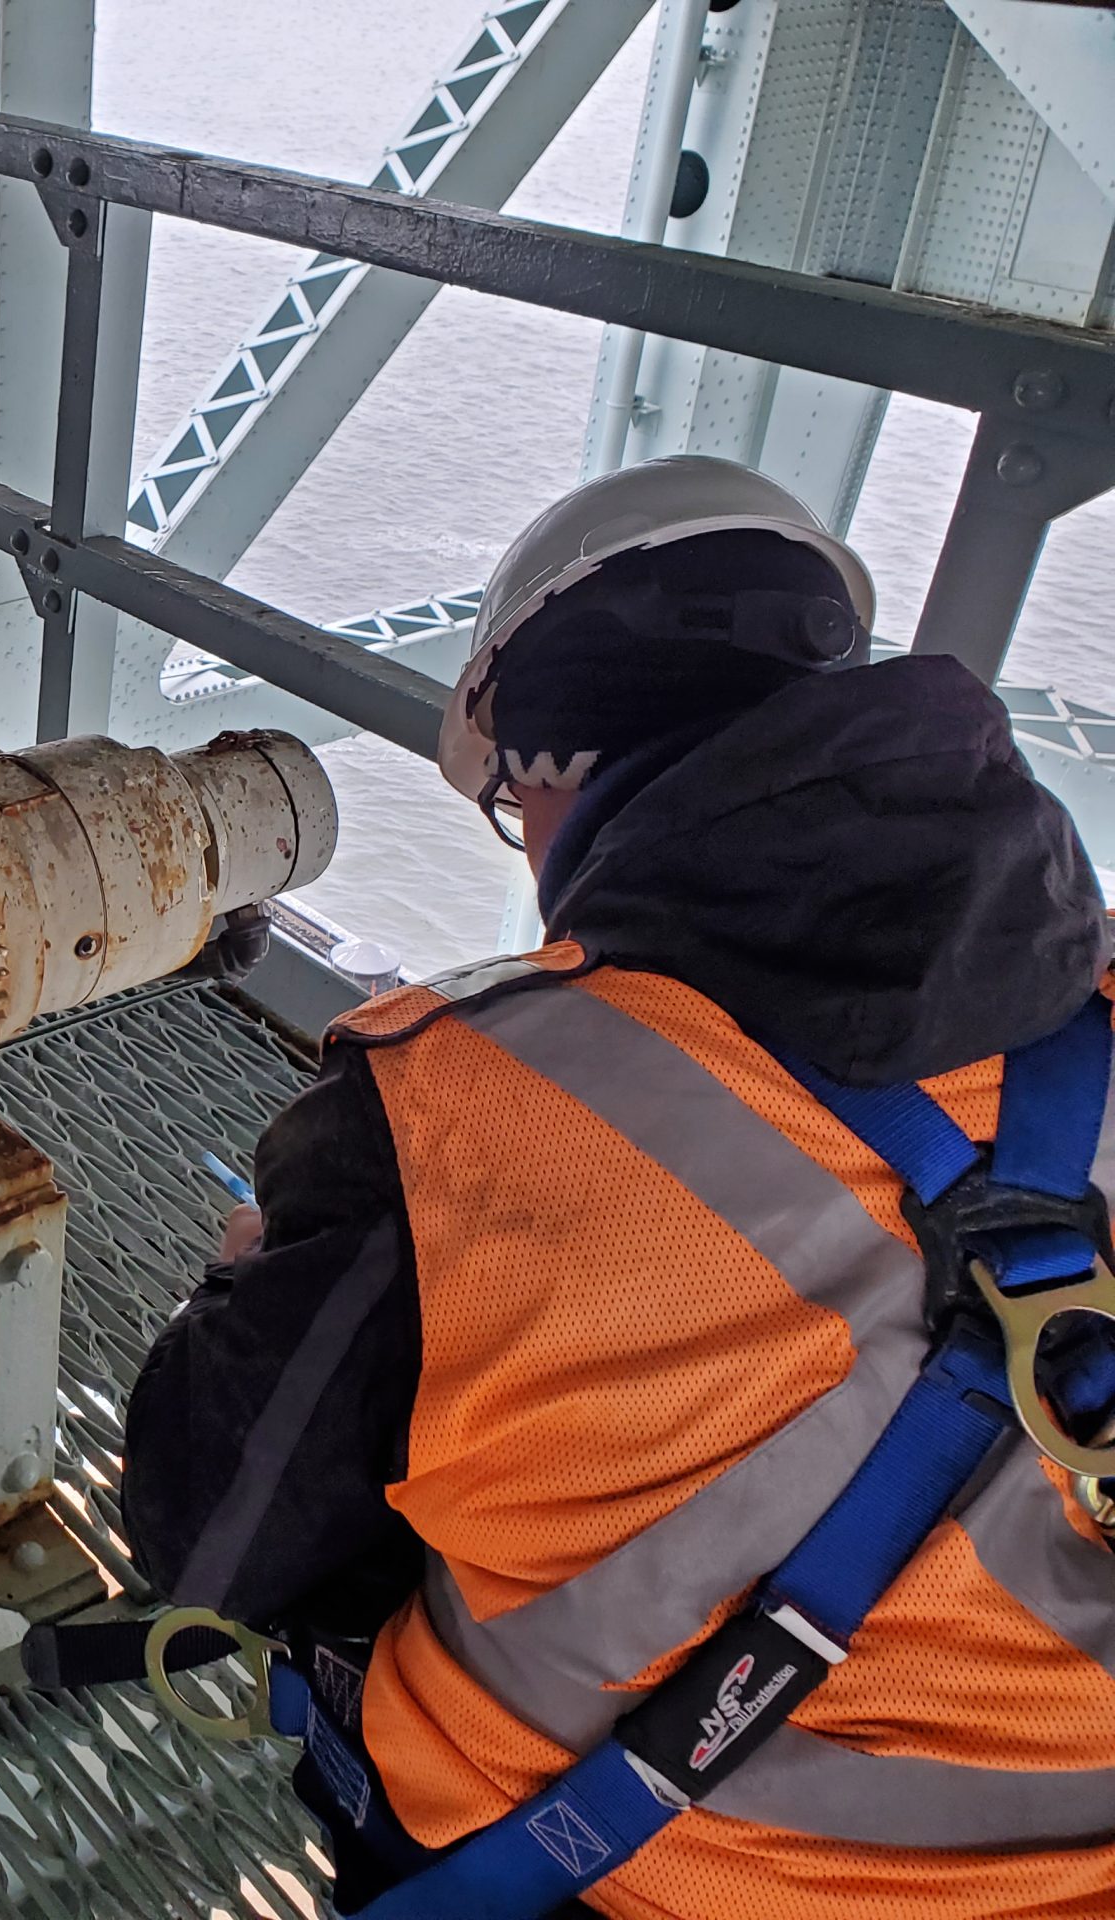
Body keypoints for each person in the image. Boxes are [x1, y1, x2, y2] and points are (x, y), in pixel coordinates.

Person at [110, 457, 1115, 1919]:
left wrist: (247, 1285)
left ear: (547, 772)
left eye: (509, 811)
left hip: (625, 1879)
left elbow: (203, 1545)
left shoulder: (456, 1109)